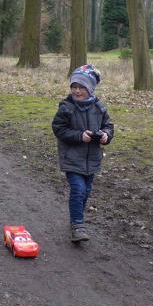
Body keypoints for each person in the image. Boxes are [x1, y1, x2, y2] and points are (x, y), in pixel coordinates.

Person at [52, 64, 114, 243]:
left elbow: (108, 126)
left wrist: (106, 135)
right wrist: (79, 136)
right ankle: (78, 225)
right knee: (78, 189)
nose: (77, 91)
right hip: (72, 158)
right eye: (74, 87)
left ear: (91, 88)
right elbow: (59, 129)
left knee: (86, 191)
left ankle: (76, 217)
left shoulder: (99, 108)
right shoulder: (66, 107)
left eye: (82, 87)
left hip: (92, 159)